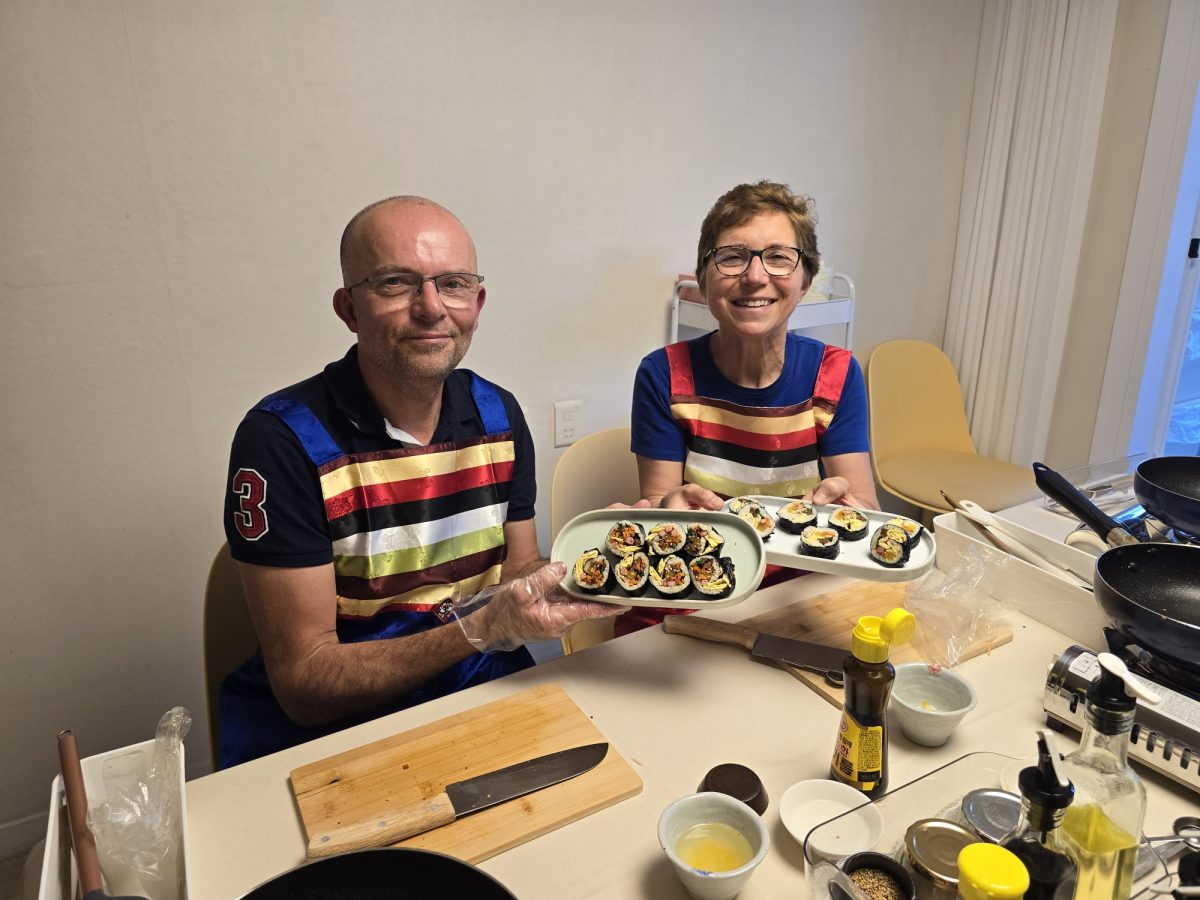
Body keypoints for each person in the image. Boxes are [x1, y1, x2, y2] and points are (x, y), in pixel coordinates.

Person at [219, 196, 622, 767]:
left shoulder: (498, 415)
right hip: (343, 734)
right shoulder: (282, 441)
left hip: (484, 690)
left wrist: (613, 554)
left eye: (453, 283)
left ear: (477, 303)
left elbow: (518, 574)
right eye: (395, 283)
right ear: (349, 308)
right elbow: (305, 684)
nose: (431, 308)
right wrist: (481, 629)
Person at [625, 180, 877, 633]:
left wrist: (851, 512)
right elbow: (664, 516)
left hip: (797, 598)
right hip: (697, 596)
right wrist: (667, 509)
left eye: (779, 257)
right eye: (732, 256)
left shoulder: (836, 376)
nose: (756, 276)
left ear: (806, 282)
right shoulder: (664, 375)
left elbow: (863, 510)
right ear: (703, 281)